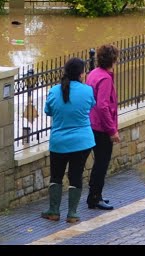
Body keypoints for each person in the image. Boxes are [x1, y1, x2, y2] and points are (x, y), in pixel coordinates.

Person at [41, 57, 95, 224]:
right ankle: (72, 214)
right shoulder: (87, 91)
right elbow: (90, 106)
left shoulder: (54, 91)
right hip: (82, 142)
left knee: (56, 176)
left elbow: (48, 111)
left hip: (59, 142)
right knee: (75, 175)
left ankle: (54, 211)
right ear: (80, 74)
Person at [85, 44, 122, 210]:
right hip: (101, 128)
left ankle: (95, 195)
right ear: (113, 60)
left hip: (91, 123)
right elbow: (103, 106)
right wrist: (112, 130)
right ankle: (94, 198)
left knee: (98, 162)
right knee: (101, 163)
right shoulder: (106, 78)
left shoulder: (93, 73)